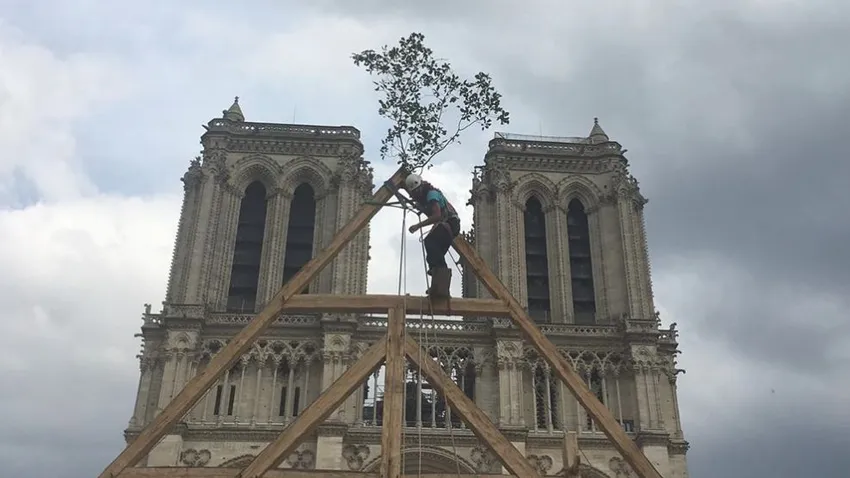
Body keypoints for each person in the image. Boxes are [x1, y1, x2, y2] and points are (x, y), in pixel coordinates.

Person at [403, 173, 461, 277]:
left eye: (417, 190)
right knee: (434, 254)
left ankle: (440, 272)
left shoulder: (431, 194)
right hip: (450, 225)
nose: (416, 193)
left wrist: (418, 226)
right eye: (414, 192)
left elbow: (437, 216)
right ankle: (438, 274)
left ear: (421, 186)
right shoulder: (427, 198)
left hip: (451, 223)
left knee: (430, 242)